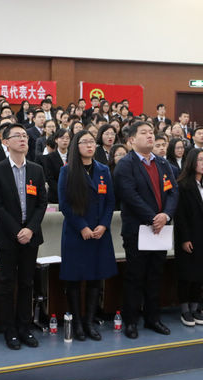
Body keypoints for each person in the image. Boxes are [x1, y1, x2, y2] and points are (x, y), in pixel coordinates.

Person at [114, 121, 178, 339]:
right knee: (135, 276)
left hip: (160, 229)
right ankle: (131, 321)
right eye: (144, 133)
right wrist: (153, 218)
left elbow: (173, 192)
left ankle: (153, 318)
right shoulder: (126, 164)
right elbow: (130, 196)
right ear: (132, 139)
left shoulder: (162, 163)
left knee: (155, 275)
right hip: (138, 229)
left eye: (152, 132)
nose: (150, 136)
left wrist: (165, 215)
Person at [0, 123, 47, 350]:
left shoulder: (36, 170)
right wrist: (17, 231)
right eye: (17, 136)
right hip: (7, 236)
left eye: (25, 136)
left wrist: (30, 229)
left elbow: (41, 203)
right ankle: (9, 330)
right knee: (7, 283)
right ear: (6, 142)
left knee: (27, 283)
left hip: (31, 236)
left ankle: (25, 328)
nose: (23, 139)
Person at [58, 131, 116, 341]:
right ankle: (77, 324)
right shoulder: (67, 171)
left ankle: (89, 322)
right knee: (74, 280)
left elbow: (110, 201)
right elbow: (64, 204)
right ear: (76, 146)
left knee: (95, 279)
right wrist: (82, 226)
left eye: (92, 142)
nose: (90, 145)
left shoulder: (103, 170)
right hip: (76, 233)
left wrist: (104, 225)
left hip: (99, 233)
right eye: (85, 142)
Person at [173, 149, 203, 327]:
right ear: (192, 162)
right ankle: (185, 309)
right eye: (200, 160)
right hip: (190, 237)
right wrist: (184, 239)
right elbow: (180, 216)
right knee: (187, 275)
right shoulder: (182, 185)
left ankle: (195, 307)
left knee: (202, 274)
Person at [42, 129, 71, 203]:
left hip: (72, 195)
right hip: (55, 196)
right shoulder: (49, 157)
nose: (65, 140)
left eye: (67, 138)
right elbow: (49, 178)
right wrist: (61, 190)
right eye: (62, 138)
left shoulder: (73, 156)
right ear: (56, 140)